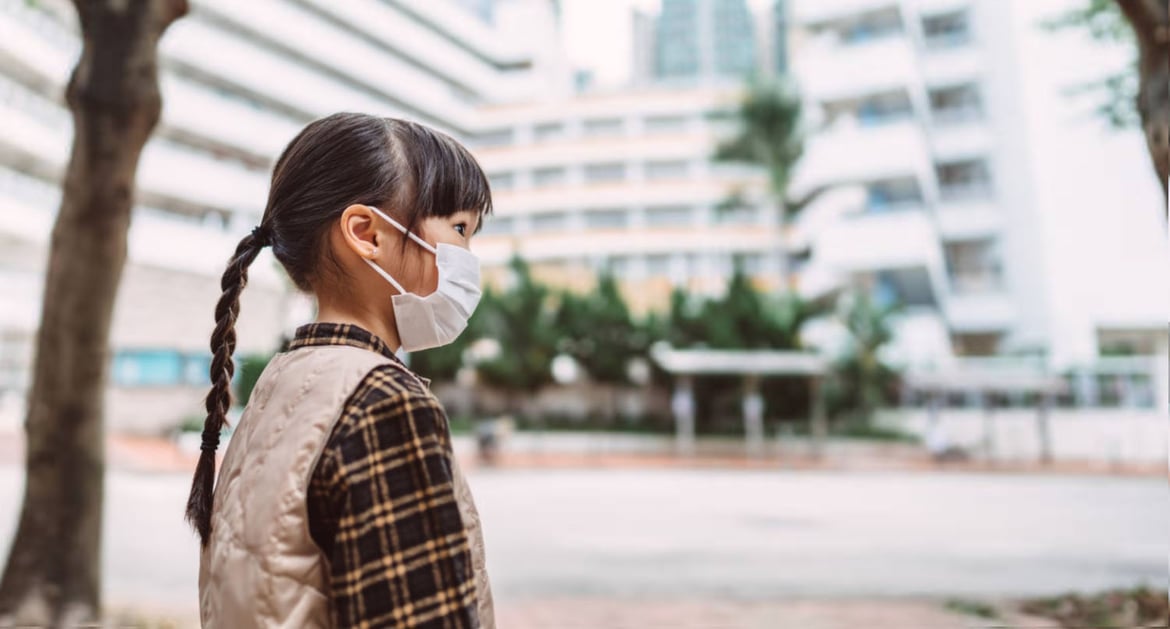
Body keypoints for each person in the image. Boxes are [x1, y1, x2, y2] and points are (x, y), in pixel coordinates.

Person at [185, 113, 495, 628]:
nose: (468, 256)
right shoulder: (383, 402)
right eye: (460, 229)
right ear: (366, 234)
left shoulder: (282, 387)